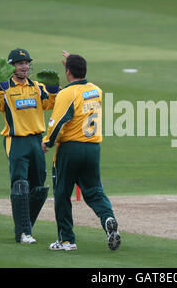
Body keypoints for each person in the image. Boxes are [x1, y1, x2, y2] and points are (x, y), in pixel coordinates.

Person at [42, 51, 121, 251]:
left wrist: (47, 142)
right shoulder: (96, 90)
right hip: (93, 148)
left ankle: (67, 240)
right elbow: (80, 87)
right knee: (95, 192)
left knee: (62, 194)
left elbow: (58, 122)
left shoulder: (66, 94)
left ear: (67, 71)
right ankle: (108, 219)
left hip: (70, 149)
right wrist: (72, 61)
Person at [0, 48, 61, 243]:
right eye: (20, 63)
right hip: (16, 140)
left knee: (38, 187)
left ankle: (26, 228)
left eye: (27, 63)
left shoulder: (37, 87)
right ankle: (22, 233)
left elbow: (51, 104)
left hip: (36, 141)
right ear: (12, 67)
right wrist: (2, 85)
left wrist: (54, 89)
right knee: (20, 183)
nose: (25, 66)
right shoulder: (5, 87)